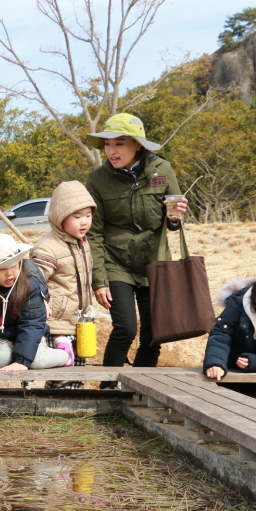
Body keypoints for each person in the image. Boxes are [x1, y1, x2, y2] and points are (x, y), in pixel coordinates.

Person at [85, 113, 188, 390]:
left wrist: (176, 217)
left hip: (155, 263)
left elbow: (173, 221)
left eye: (119, 143)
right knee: (126, 328)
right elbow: (93, 232)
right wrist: (100, 279)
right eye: (107, 145)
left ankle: (138, 391)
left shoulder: (162, 170)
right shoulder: (97, 180)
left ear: (138, 146)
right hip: (115, 262)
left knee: (155, 333)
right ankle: (107, 390)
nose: (112, 151)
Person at [0, 234, 71, 371]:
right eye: (1, 268)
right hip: (1, 337)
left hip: (29, 333)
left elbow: (32, 324)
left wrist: (23, 361)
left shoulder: (30, 285)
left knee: (36, 361)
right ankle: (17, 353)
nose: (9, 273)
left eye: (13, 265)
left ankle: (65, 354)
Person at [32, 181, 96, 388]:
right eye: (77, 217)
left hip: (79, 320)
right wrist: (43, 302)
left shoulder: (83, 243)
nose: (84, 222)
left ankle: (75, 408)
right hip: (57, 324)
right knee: (60, 374)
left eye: (88, 215)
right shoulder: (47, 248)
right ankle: (53, 408)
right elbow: (34, 281)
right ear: (60, 218)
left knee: (77, 373)